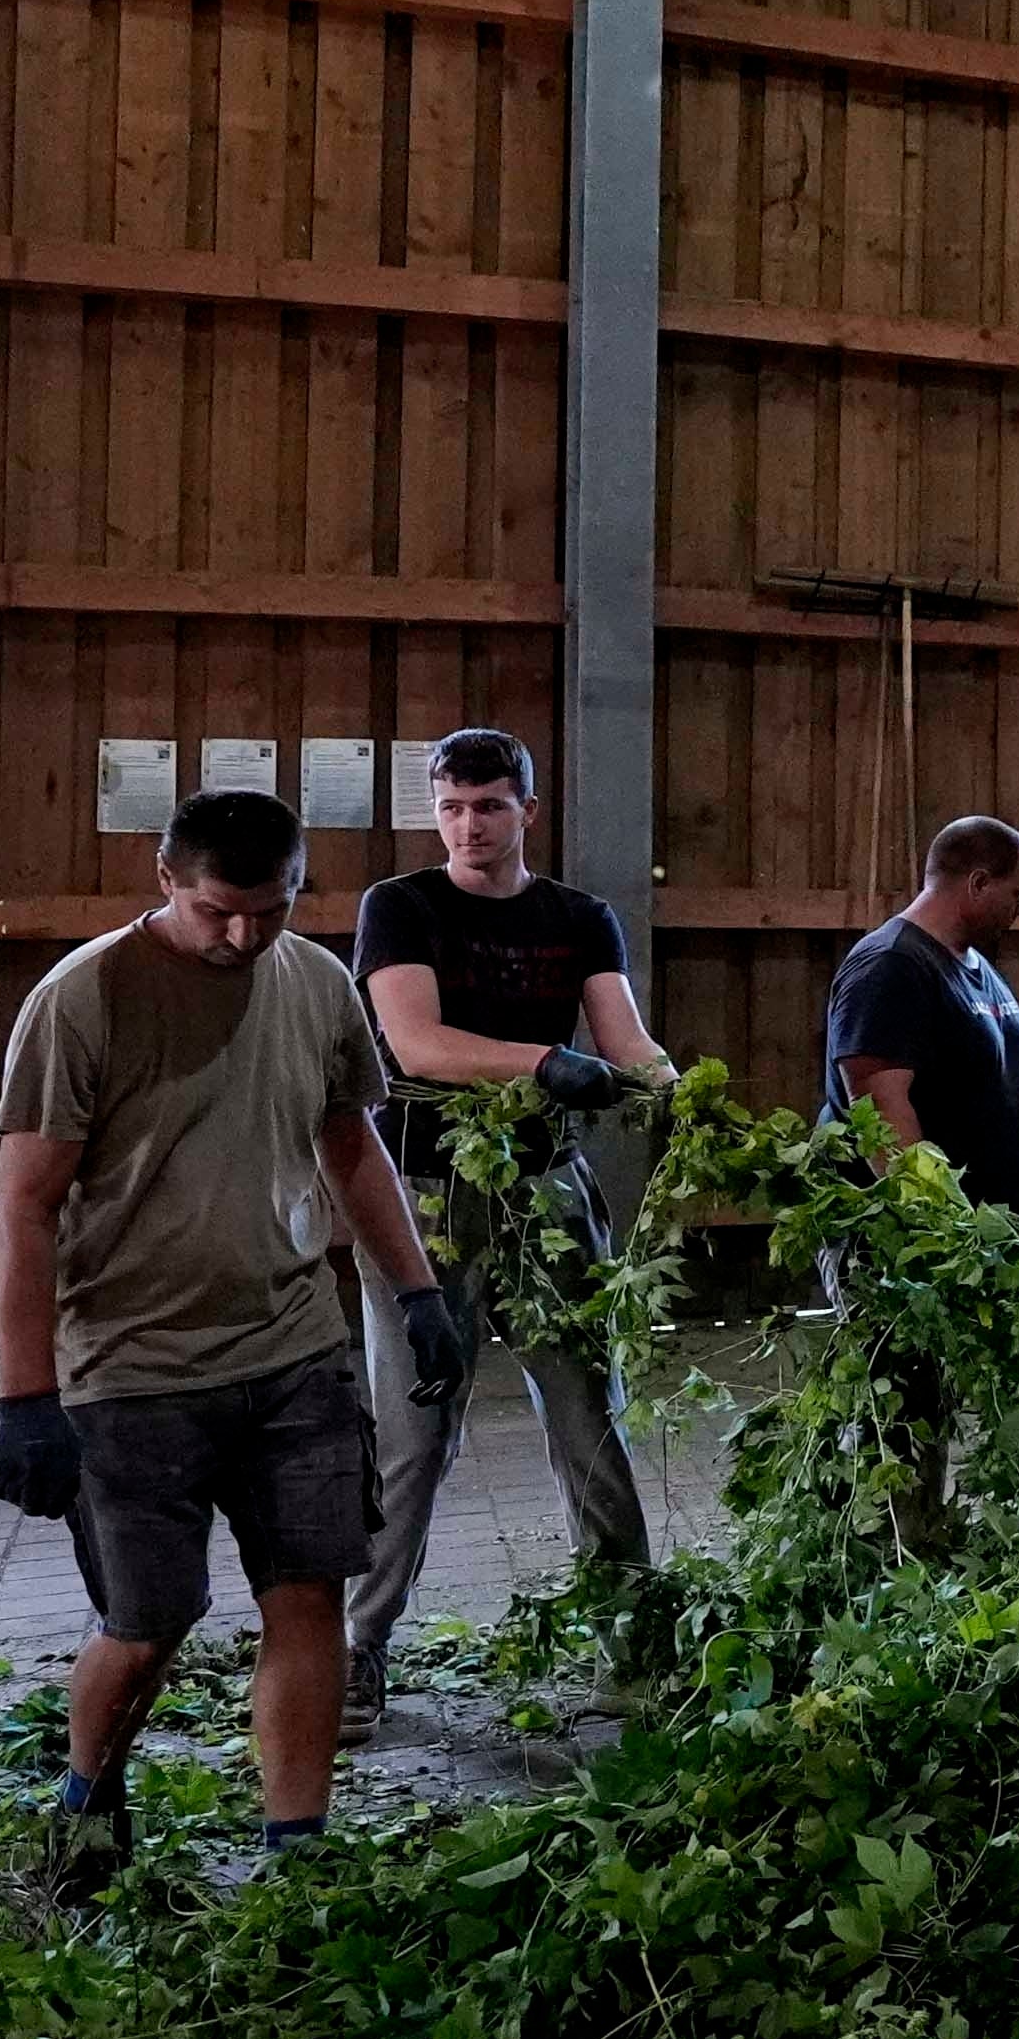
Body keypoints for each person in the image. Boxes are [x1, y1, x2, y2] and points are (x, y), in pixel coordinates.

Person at [0, 789, 465, 1882]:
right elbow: (25, 1204)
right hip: (132, 1366)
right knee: (148, 1622)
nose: (244, 936)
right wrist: (25, 1397)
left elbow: (351, 1146)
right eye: (217, 912)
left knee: (309, 1593)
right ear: (166, 880)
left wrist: (417, 1292)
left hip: (293, 1350)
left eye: (272, 909)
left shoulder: (318, 984)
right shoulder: (82, 999)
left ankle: (297, 1853)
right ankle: (87, 1801)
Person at [347, 725, 669, 1720]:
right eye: (450, 807)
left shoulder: (579, 917)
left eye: (489, 806)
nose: (468, 825)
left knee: (587, 1416)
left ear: (527, 809)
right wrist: (540, 1062)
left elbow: (623, 1039)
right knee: (414, 1432)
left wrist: (675, 1088)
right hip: (426, 1201)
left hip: (547, 1198)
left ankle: (633, 1638)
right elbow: (415, 1043)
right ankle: (361, 1645)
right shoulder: (400, 907)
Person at [823, 815, 1019, 1211]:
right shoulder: (891, 965)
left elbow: (1016, 1096)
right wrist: (941, 1226)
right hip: (918, 1241)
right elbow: (880, 1114)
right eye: (1018, 893)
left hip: (996, 1240)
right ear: (978, 883)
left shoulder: (976, 969)